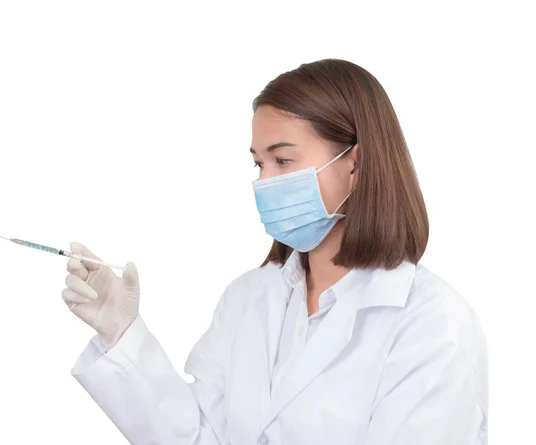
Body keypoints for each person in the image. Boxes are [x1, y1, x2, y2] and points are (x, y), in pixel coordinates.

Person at [62, 59, 488, 445]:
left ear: (355, 164)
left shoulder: (431, 324)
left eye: (282, 161)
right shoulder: (247, 299)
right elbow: (198, 437)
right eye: (258, 164)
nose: (265, 182)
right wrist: (121, 333)